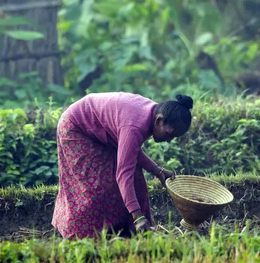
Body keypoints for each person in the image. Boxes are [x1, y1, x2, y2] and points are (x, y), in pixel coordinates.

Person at [52, 91, 193, 238]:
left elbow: (131, 149)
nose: (169, 140)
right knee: (96, 186)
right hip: (77, 128)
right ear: (159, 121)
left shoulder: (150, 115)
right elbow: (123, 174)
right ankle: (82, 237)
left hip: (99, 130)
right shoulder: (135, 126)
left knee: (135, 177)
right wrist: (137, 215)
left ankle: (126, 231)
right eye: (169, 134)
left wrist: (157, 171)